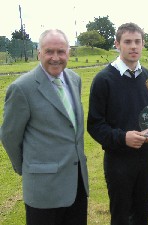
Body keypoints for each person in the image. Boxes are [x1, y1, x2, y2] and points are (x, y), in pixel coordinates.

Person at [1, 29, 89, 225]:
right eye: (49, 52)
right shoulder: (21, 88)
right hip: (43, 190)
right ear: (39, 52)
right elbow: (9, 136)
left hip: (76, 184)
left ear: (69, 53)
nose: (55, 58)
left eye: (61, 51)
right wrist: (28, 167)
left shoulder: (74, 79)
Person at [87, 22, 148, 225]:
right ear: (117, 44)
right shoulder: (104, 79)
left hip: (146, 158)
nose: (133, 46)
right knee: (121, 215)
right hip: (118, 160)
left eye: (137, 41)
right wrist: (122, 137)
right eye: (128, 42)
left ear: (143, 44)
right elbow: (95, 125)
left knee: (142, 213)